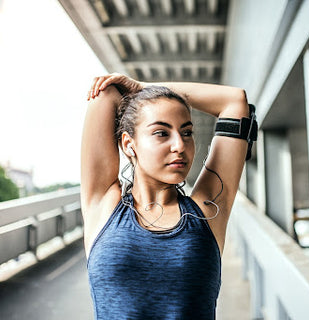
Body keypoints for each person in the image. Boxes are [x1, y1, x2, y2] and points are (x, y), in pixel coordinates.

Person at [81, 73, 256, 319]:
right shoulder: (104, 205)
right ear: (129, 143)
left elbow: (234, 101)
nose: (180, 146)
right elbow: (105, 92)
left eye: (186, 132)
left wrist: (142, 87)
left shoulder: (208, 210)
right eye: (162, 133)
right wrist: (140, 94)